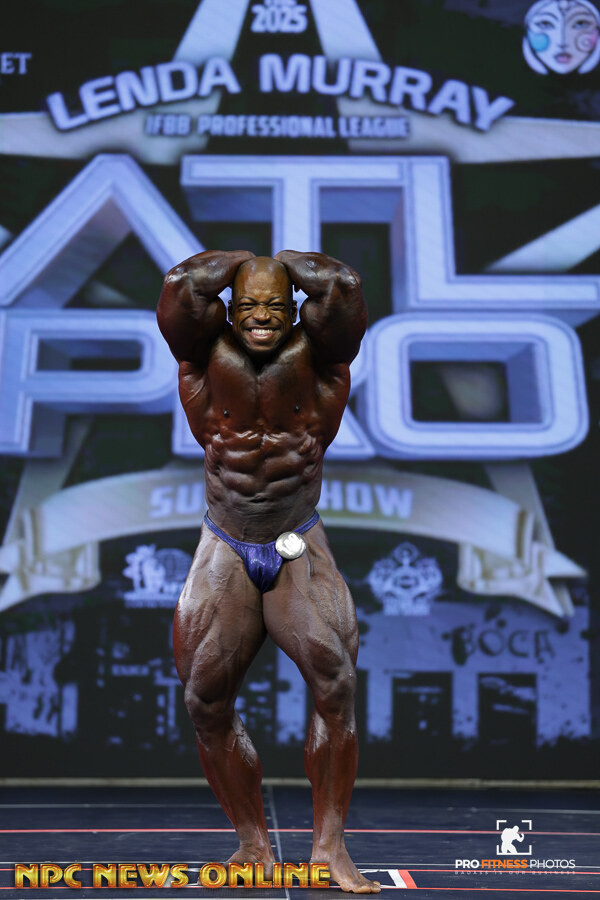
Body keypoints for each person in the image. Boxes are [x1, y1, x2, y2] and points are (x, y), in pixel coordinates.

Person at [157, 249, 379, 893]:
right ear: (228, 309)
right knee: (204, 701)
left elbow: (344, 285)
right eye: (249, 306)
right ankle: (252, 842)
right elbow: (180, 284)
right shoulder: (202, 358)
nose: (262, 317)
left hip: (297, 541)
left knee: (336, 688)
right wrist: (246, 263)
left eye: (276, 307)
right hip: (226, 543)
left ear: (296, 310)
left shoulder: (324, 361)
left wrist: (280, 262)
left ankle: (329, 848)